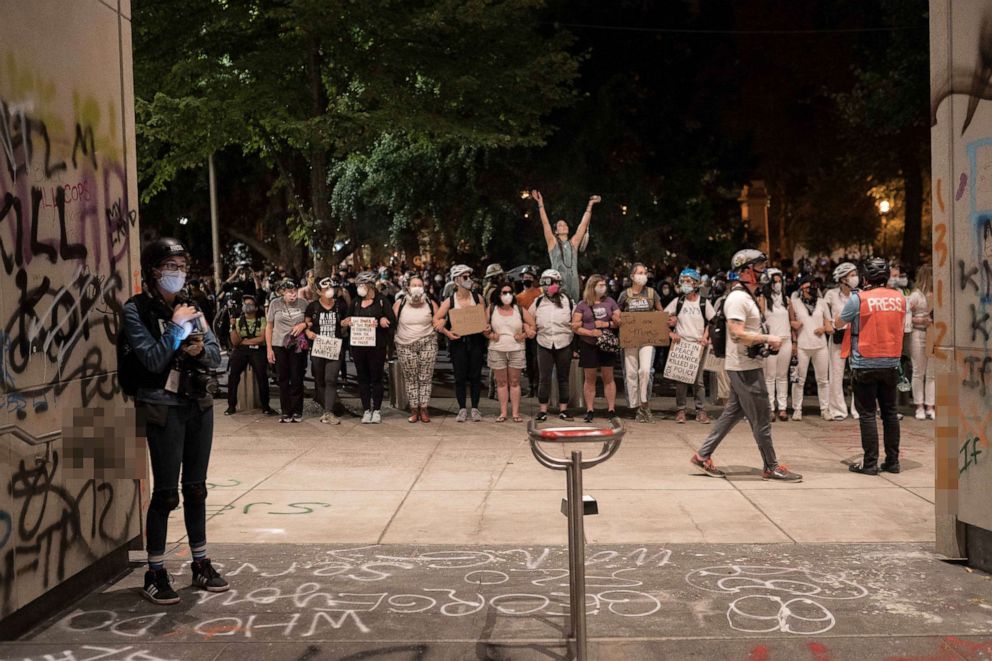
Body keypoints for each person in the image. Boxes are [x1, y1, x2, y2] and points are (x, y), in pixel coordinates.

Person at [119, 238, 227, 604]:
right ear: (153, 271)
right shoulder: (136, 310)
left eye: (181, 267)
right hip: (161, 405)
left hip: (198, 403)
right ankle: (155, 571)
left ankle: (200, 562)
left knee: (196, 488)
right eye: (170, 267)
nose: (177, 274)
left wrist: (199, 346)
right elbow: (150, 359)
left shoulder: (191, 306)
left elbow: (215, 354)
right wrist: (177, 330)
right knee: (166, 493)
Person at [690, 249, 802, 482]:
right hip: (744, 368)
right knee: (762, 419)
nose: (764, 271)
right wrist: (767, 339)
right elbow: (737, 333)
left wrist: (765, 340)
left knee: (731, 414)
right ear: (745, 271)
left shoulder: (748, 296)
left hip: (746, 364)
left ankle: (702, 456)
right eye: (759, 266)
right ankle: (771, 467)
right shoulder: (738, 298)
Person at [840, 258, 905, 475]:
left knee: (867, 414)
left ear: (865, 278)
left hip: (865, 362)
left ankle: (870, 464)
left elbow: (840, 322)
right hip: (892, 362)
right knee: (890, 413)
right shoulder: (900, 298)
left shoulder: (859, 299)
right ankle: (893, 462)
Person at [434, 264, 488, 422]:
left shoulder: (478, 298)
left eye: (469, 276)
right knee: (460, 376)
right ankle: (462, 408)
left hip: (476, 341)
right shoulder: (450, 301)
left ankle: (476, 408)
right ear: (456, 280)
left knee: (476, 376)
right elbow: (436, 319)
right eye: (465, 277)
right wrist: (447, 333)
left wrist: (486, 327)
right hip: (458, 342)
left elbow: (484, 320)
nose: (468, 280)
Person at [343, 271, 396, 424]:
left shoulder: (381, 301)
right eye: (358, 285)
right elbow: (347, 318)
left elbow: (392, 320)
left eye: (362, 285)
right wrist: (346, 323)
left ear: (370, 285)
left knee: (376, 378)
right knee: (363, 378)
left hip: (377, 346)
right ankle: (366, 409)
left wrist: (383, 320)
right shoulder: (355, 302)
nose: (360, 288)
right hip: (359, 346)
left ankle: (377, 410)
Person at [531, 189, 601, 301]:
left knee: (573, 310)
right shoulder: (552, 242)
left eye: (565, 224)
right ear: (556, 231)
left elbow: (582, 225)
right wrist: (540, 204)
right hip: (557, 283)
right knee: (559, 309)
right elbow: (546, 224)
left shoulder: (573, 243)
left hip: (573, 283)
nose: (563, 226)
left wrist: (590, 204)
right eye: (560, 225)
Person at [665, 268, 714, 424]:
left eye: (688, 281)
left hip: (698, 346)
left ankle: (701, 410)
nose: (685, 284)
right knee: (681, 380)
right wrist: (670, 333)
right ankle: (681, 410)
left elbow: (712, 322)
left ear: (696, 284)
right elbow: (662, 319)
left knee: (698, 380)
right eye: (683, 281)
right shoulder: (677, 302)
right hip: (681, 344)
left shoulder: (704, 303)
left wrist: (705, 337)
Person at [615, 263, 664, 422]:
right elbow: (617, 313)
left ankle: (645, 404)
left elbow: (660, 312)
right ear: (632, 276)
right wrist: (617, 319)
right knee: (630, 372)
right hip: (630, 340)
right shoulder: (625, 295)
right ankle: (636, 407)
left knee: (645, 371)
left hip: (648, 339)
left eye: (645, 272)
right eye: (640, 272)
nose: (643, 275)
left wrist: (663, 319)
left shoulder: (652, 293)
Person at [572, 274, 621, 422]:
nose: (603, 288)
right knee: (589, 378)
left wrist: (607, 324)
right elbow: (575, 327)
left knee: (608, 377)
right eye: (600, 285)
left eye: (604, 285)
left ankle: (611, 409)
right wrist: (590, 332)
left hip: (606, 343)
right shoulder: (582, 304)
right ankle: (590, 409)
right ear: (592, 287)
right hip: (588, 344)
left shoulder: (610, 302)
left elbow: (619, 321)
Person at [486, 282, 536, 422]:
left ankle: (515, 413)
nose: (507, 295)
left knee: (515, 382)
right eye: (504, 292)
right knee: (501, 383)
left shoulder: (519, 309)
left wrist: (524, 335)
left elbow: (533, 326)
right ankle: (503, 413)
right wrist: (490, 335)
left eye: (509, 292)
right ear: (498, 294)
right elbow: (484, 328)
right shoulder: (491, 309)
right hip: (497, 349)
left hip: (516, 349)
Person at [529, 269, 575, 421]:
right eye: (546, 283)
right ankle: (543, 410)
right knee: (544, 377)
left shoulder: (567, 301)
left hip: (564, 343)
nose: (549, 287)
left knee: (563, 377)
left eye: (552, 283)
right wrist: (529, 329)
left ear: (558, 283)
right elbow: (529, 320)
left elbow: (576, 320)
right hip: (544, 343)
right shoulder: (538, 302)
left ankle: (564, 409)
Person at [393, 275, 439, 423]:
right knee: (411, 378)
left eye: (420, 285)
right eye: (414, 285)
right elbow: (392, 322)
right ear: (408, 288)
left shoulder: (430, 303)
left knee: (425, 377)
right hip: (405, 344)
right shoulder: (399, 304)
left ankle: (424, 408)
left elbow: (440, 319)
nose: (417, 287)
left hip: (427, 343)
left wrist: (442, 324)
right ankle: (414, 410)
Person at [304, 277, 348, 424]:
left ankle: (329, 412)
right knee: (320, 379)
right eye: (325, 289)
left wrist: (345, 323)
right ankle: (325, 408)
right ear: (318, 291)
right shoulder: (313, 307)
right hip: (318, 348)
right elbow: (307, 324)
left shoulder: (340, 305)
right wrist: (308, 332)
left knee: (331, 379)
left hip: (334, 348)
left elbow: (343, 322)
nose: (329, 291)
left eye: (331, 288)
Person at [788, 275, 832, 421]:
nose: (810, 290)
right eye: (807, 287)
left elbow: (829, 324)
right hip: (802, 345)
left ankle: (825, 409)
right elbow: (790, 322)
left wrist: (823, 328)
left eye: (812, 287)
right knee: (799, 380)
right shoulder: (794, 302)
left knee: (823, 380)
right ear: (801, 288)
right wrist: (794, 326)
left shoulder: (822, 302)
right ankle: (797, 409)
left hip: (820, 345)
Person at [266, 278, 309, 423]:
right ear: (282, 292)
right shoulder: (275, 304)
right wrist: (269, 349)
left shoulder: (303, 303)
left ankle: (297, 411)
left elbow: (310, 321)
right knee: (283, 379)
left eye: (295, 291)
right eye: (290, 292)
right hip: (279, 344)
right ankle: (286, 412)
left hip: (297, 344)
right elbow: (269, 326)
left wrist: (303, 324)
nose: (293, 294)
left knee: (297, 377)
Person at [225, 293, 275, 416]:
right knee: (233, 376)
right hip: (241, 350)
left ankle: (265, 406)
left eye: (250, 304)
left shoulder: (262, 320)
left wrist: (245, 341)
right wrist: (232, 326)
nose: (247, 306)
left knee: (262, 376)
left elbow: (262, 338)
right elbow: (235, 342)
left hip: (258, 350)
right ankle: (231, 405)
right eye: (245, 304)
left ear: (256, 307)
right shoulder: (237, 321)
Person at [823, 262, 860, 421]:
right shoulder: (830, 294)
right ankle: (838, 409)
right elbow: (825, 315)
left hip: (857, 337)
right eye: (852, 275)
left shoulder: (859, 294)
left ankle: (858, 409)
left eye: (855, 274)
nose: (855, 278)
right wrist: (828, 325)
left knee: (858, 373)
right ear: (842, 279)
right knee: (836, 374)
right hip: (838, 337)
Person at [761, 268, 792, 422]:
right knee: (769, 376)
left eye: (780, 281)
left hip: (786, 339)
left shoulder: (787, 300)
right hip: (771, 340)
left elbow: (792, 320)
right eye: (775, 281)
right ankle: (769, 407)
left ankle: (783, 407)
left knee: (782, 375)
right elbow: (760, 320)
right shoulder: (763, 300)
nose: (778, 284)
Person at [908, 264, 936, 420]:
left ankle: (930, 405)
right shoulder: (916, 296)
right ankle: (919, 405)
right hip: (918, 334)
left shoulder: (938, 294)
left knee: (932, 374)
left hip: (934, 335)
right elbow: (905, 317)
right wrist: (921, 320)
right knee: (919, 372)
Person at [516, 266, 543, 397]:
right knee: (528, 360)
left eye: (530, 277)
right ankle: (531, 386)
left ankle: (538, 387)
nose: (527, 279)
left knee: (537, 360)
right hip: (525, 332)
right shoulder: (518, 297)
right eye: (525, 277)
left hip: (539, 330)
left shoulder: (540, 293)